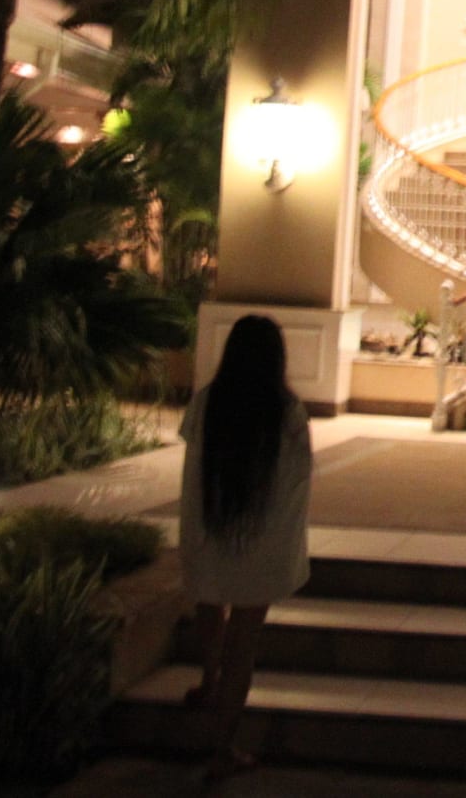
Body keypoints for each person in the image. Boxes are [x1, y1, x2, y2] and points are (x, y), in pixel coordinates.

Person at [179, 313, 314, 779]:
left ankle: (209, 677)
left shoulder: (208, 402)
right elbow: (296, 483)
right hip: (259, 540)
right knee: (244, 642)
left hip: (212, 529)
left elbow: (192, 470)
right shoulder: (286, 411)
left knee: (210, 605)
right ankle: (223, 746)